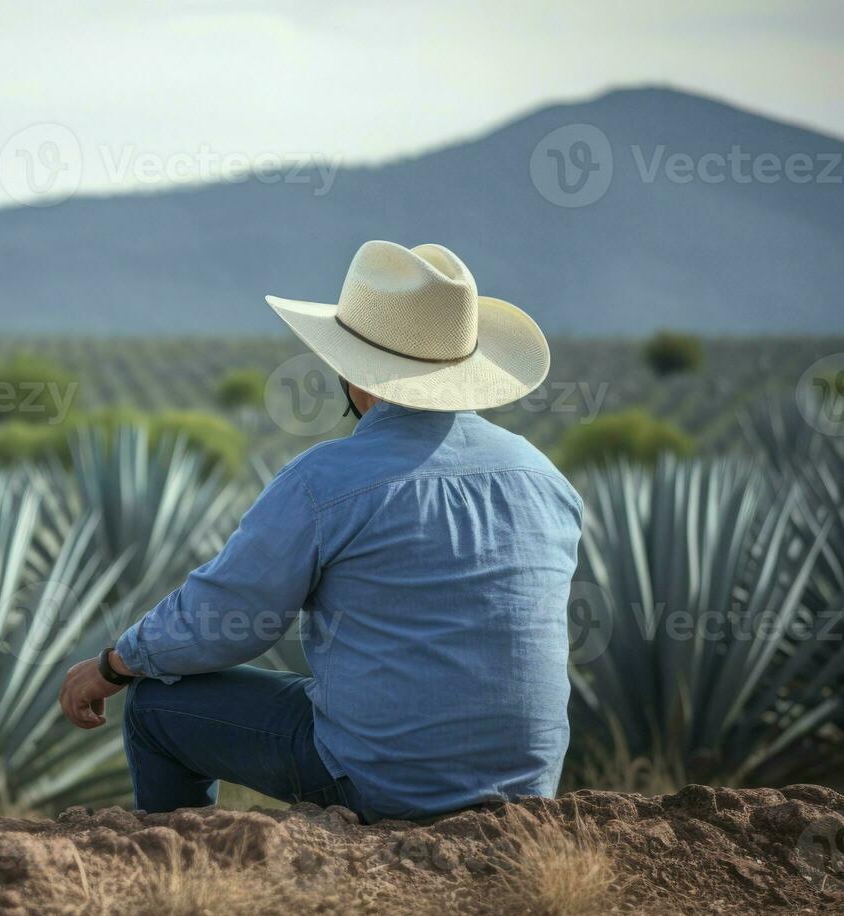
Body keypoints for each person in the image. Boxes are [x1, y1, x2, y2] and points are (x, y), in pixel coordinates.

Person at [57, 240, 583, 822]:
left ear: (354, 372)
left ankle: (175, 867)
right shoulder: (544, 475)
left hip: (383, 785)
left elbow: (228, 619)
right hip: (528, 792)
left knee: (157, 704)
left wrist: (114, 665)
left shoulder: (327, 481)